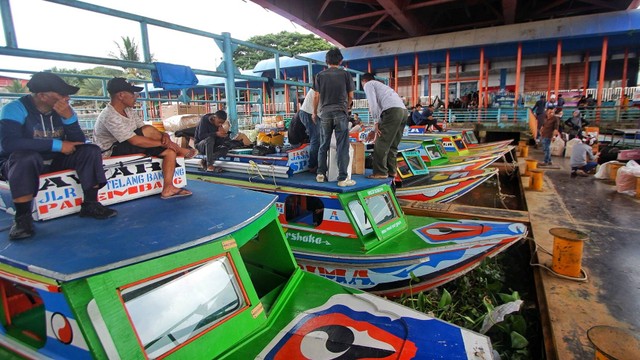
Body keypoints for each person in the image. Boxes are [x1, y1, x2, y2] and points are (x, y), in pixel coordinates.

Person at [0, 72, 117, 240]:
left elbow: (78, 142)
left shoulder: (66, 111)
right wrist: (58, 145)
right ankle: (22, 219)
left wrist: (69, 119)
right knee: (25, 157)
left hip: (54, 159)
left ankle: (91, 204)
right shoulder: (14, 108)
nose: (67, 98)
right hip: (17, 163)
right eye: (62, 94)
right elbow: (9, 144)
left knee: (90, 150)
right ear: (42, 96)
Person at [94, 77, 195, 199]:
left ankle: (168, 188)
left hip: (130, 143)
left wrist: (164, 135)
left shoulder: (129, 110)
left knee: (170, 151)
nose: (135, 96)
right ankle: (180, 149)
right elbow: (135, 140)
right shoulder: (109, 115)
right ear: (121, 95)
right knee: (152, 135)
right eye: (132, 93)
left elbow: (145, 129)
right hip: (111, 150)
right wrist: (163, 143)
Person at [312, 48, 355, 187]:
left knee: (323, 144)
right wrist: (347, 107)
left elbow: (316, 96)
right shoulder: (346, 74)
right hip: (340, 112)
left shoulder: (320, 75)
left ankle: (320, 173)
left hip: (325, 113)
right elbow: (351, 96)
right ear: (340, 60)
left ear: (326, 61)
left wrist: (314, 112)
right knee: (342, 145)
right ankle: (342, 178)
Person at [361, 73, 408, 179]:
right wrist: (373, 130)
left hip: (392, 112)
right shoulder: (383, 87)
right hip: (403, 112)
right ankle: (392, 171)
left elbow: (373, 105)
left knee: (381, 143)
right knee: (392, 145)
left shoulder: (368, 84)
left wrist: (375, 122)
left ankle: (380, 172)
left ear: (364, 81)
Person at [298, 88, 320, 172]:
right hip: (309, 113)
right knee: (316, 139)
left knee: (317, 139)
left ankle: (315, 164)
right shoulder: (323, 82)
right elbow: (316, 96)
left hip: (310, 113)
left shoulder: (323, 81)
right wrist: (314, 112)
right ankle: (312, 165)